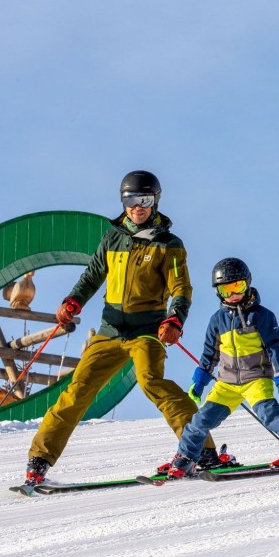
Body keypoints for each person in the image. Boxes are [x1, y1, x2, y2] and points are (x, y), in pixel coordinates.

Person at [23, 170, 224, 485]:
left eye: (143, 200)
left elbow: (181, 289)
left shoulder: (168, 244)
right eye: (130, 200)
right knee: (77, 392)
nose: (137, 207)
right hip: (109, 331)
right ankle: (38, 462)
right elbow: (92, 276)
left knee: (152, 383)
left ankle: (204, 452)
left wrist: (175, 319)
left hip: (147, 331)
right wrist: (73, 301)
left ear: (154, 201)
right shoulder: (113, 237)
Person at [162, 257, 279, 479]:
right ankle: (186, 458)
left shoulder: (262, 315)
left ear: (247, 284)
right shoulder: (216, 320)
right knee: (199, 421)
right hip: (227, 384)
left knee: (268, 413)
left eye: (237, 287)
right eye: (225, 290)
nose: (233, 295)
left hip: (256, 378)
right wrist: (199, 381)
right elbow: (210, 354)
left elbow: (275, 348)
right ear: (218, 292)